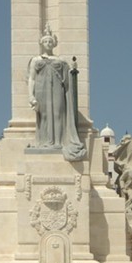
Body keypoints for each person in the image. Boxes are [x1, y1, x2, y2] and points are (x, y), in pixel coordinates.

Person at [26, 25, 85, 161]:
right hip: (41, 89)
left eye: (50, 41)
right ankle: (45, 141)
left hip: (57, 89)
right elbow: (31, 78)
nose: (48, 43)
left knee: (59, 114)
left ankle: (58, 142)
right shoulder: (36, 60)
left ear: (54, 43)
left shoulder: (61, 60)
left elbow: (68, 79)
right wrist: (31, 96)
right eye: (46, 41)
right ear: (41, 43)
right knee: (44, 115)